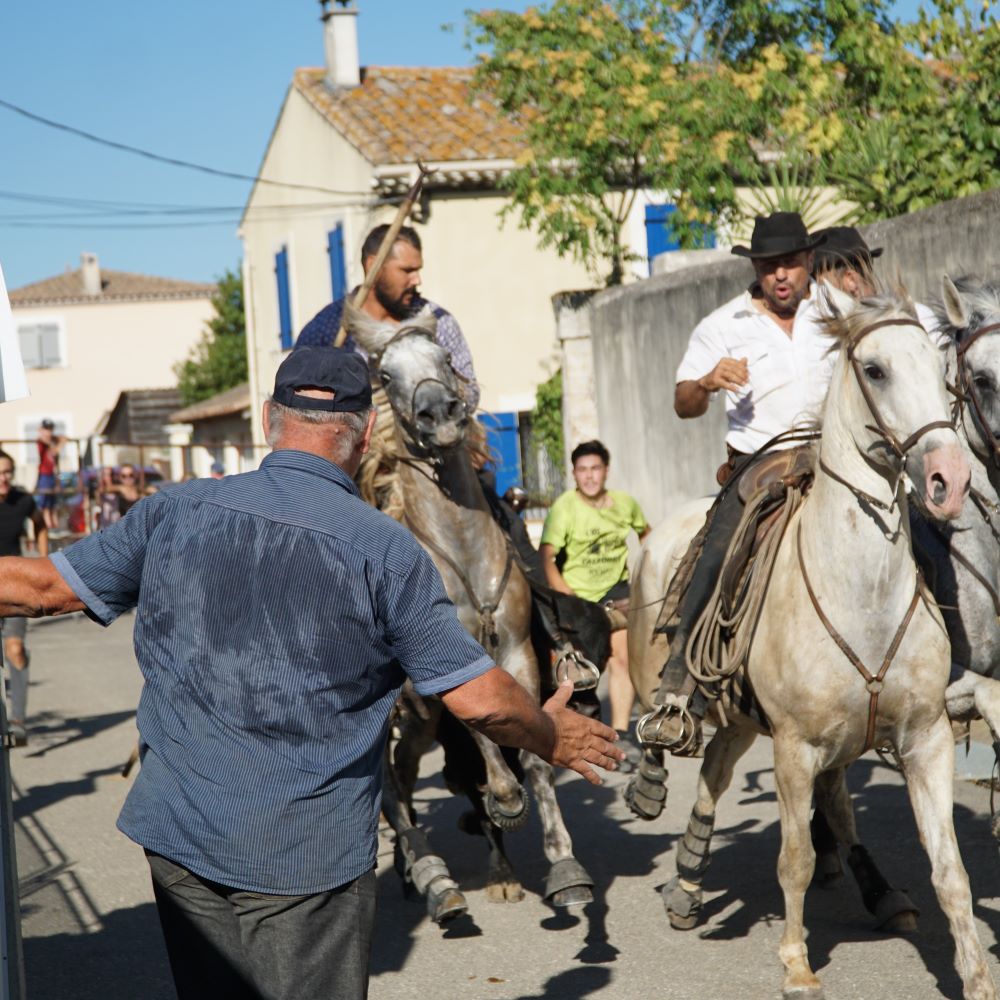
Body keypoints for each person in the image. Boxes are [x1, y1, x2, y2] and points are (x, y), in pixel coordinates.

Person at [0, 347, 622, 1000]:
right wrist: (550, 734)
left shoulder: (172, 510)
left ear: (270, 418)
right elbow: (480, 699)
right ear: (365, 433)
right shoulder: (386, 551)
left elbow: (41, 589)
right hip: (304, 860)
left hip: (180, 837)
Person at [654, 212, 835, 753]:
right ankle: (681, 683)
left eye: (790, 263)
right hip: (762, 461)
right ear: (755, 268)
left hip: (837, 454)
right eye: (768, 265)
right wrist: (708, 382)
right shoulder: (722, 324)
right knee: (720, 547)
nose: (780, 275)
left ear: (808, 261)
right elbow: (683, 404)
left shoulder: (837, 308)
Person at [540, 440, 649, 755]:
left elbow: (647, 535)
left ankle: (619, 732)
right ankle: (578, 733)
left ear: (606, 471)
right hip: (578, 598)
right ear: (574, 473)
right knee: (583, 672)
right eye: (582, 470)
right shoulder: (564, 508)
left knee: (622, 660)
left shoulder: (625, 504)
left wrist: (648, 574)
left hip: (616, 593)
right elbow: (546, 556)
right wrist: (565, 595)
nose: (589, 476)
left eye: (595, 469)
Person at [296, 224, 480, 410]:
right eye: (407, 270)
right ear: (373, 266)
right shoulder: (325, 330)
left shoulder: (438, 321)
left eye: (417, 270)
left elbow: (471, 393)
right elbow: (297, 401)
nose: (417, 280)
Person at [811, 225, 944, 343]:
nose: (816, 299)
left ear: (851, 280)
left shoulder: (919, 318)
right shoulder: (921, 315)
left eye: (822, 288)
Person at [0, 450, 48, 745]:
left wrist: (44, 561)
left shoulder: (23, 500)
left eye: (7, 472)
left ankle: (18, 720)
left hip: (15, 586)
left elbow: (40, 524)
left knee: (15, 648)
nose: (3, 478)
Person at [35, 418, 63, 531]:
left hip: (53, 475)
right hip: (44, 475)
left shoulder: (52, 441)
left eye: (50, 429)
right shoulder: (42, 441)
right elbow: (53, 450)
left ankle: (55, 527)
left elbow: (63, 438)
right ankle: (47, 526)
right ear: (41, 430)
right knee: (45, 503)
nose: (49, 432)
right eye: (46, 429)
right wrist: (58, 444)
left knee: (53, 503)